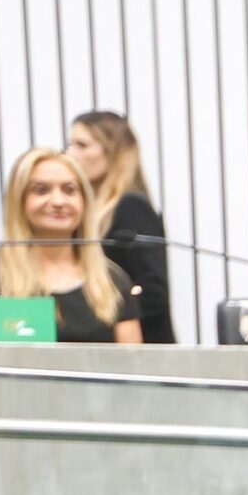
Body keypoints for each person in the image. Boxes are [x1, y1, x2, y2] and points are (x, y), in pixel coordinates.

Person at [0, 149, 143, 345]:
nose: (58, 201)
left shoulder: (111, 278)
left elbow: (132, 367)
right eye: (41, 190)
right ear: (19, 201)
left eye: (69, 190)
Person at [66, 111, 175, 343]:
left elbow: (153, 294)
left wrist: (92, 320)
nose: (69, 154)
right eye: (70, 144)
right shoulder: (86, 211)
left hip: (139, 351)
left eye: (82, 145)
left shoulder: (131, 206)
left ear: (113, 151)